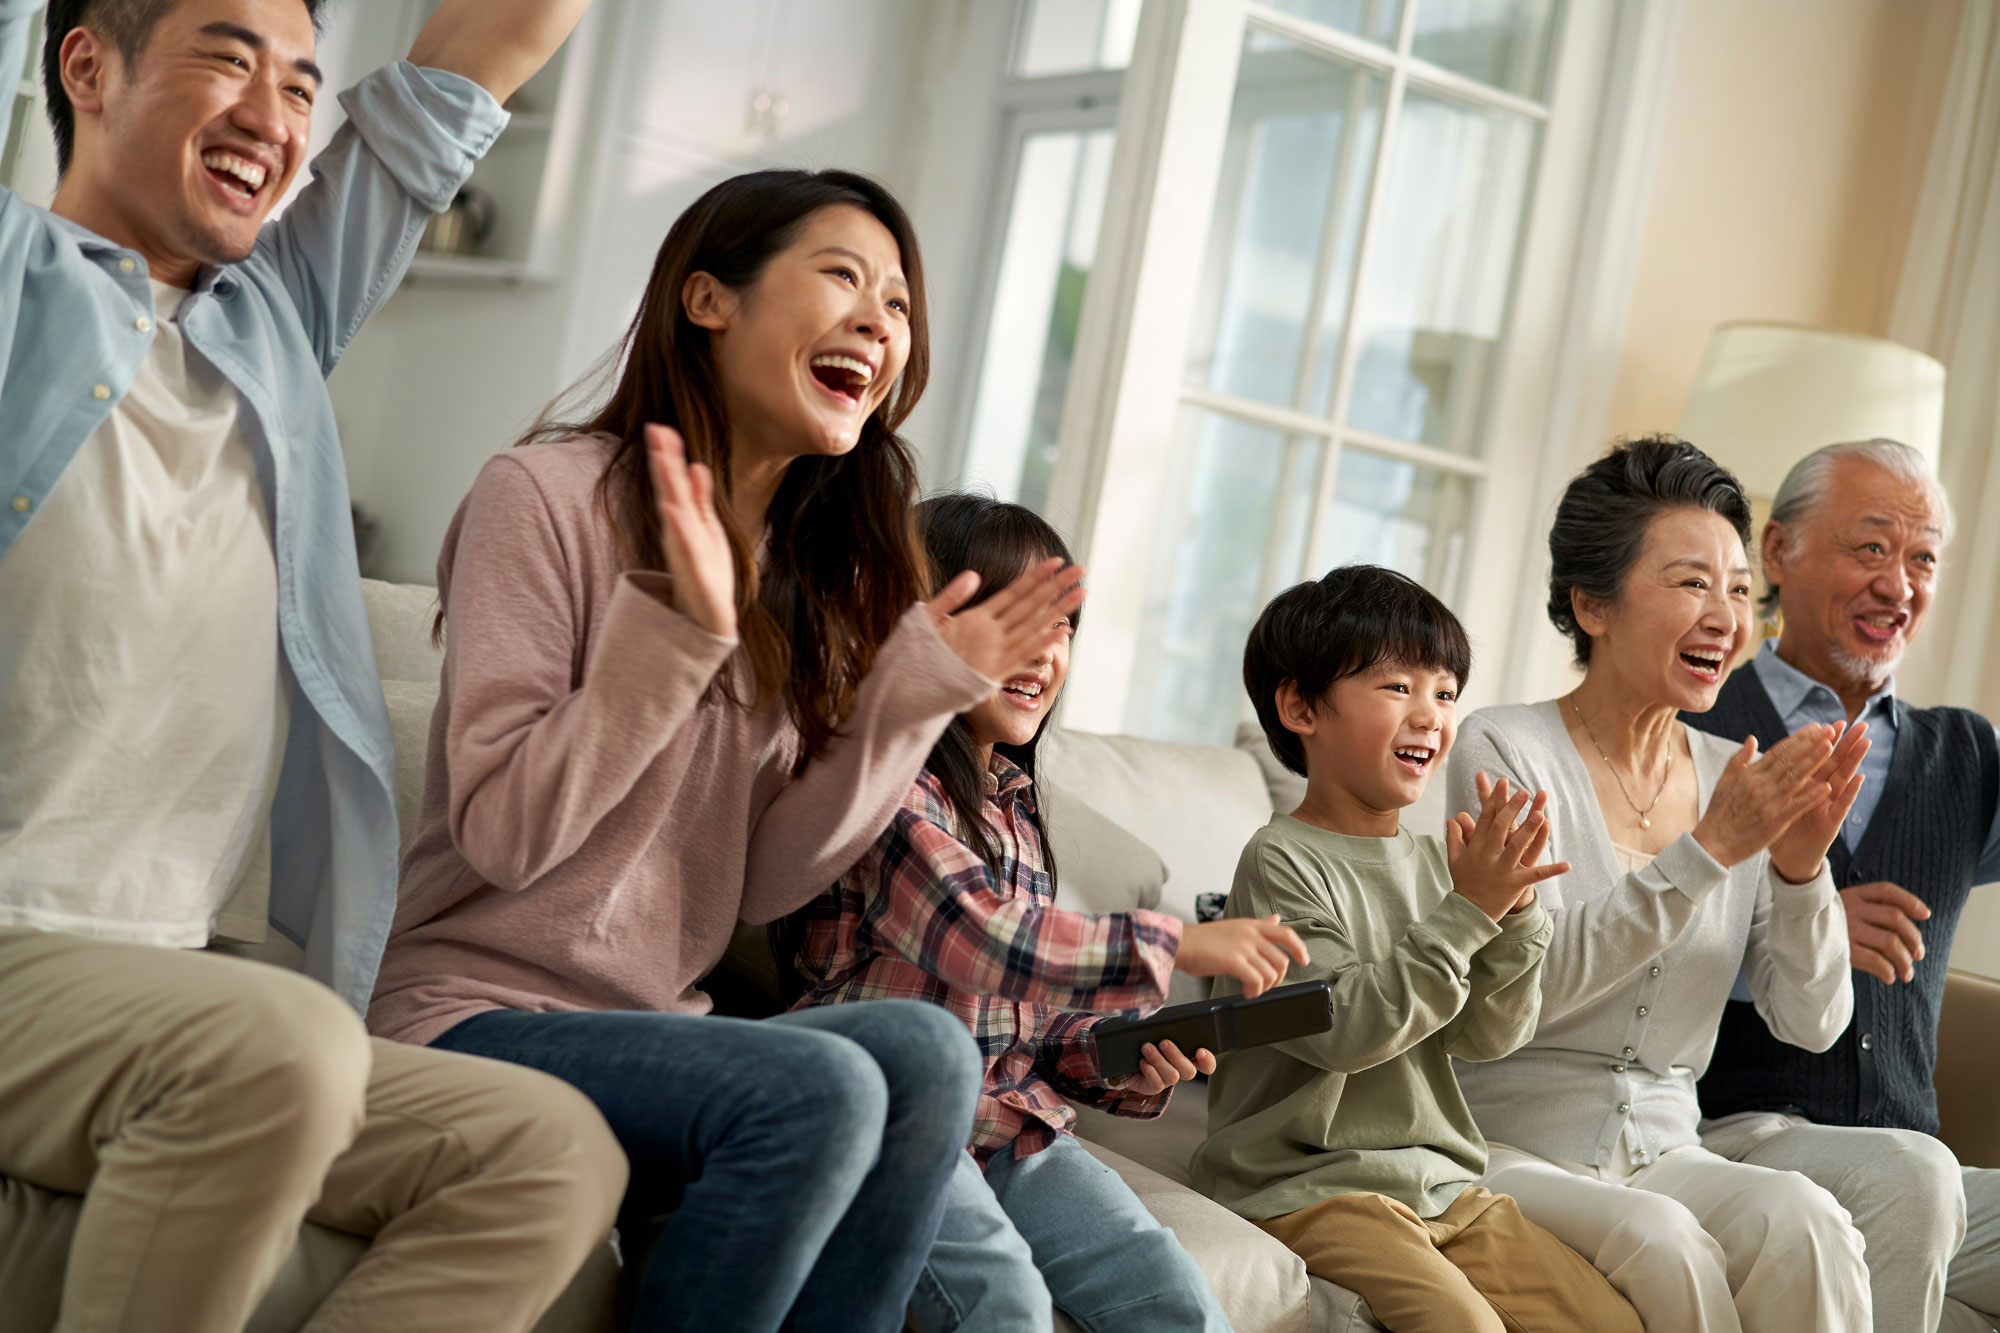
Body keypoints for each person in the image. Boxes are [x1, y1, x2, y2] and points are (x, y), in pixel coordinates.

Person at [0, 1, 629, 1329]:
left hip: (166, 976)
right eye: (230, 57)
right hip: (19, 947)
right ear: (86, 65)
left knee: (547, 1153)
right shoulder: (11, 279)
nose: (279, 117)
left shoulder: (272, 324)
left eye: (302, 84)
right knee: (279, 1046)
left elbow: (492, 48)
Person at [368, 170, 1086, 1333]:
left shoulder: (820, 575)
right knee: (823, 1081)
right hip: (471, 1010)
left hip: (657, 1027)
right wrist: (680, 635)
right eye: (843, 276)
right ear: (709, 298)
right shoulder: (542, 497)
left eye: (898, 304)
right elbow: (504, 834)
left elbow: (761, 882)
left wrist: (902, 706)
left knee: (925, 1053)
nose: (879, 323)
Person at [786, 493, 1309, 1333]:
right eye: (1011, 619)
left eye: (1063, 626)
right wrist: (1179, 943)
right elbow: (984, 938)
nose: (1044, 653)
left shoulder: (1020, 807)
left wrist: (1124, 1066)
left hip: (1010, 1130)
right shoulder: (888, 778)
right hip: (897, 1120)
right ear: (921, 629)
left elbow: (1027, 1028)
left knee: (1180, 1303)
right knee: (1008, 1305)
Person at [1446, 435, 1887, 1333]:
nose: (1725, 615)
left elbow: (1812, 1021)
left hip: (1665, 1149)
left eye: (1736, 588)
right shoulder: (1504, 749)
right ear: (1592, 604)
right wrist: (1710, 849)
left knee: (1810, 1221)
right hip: (1508, 1143)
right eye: (1690, 582)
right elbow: (1525, 993)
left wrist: (1800, 869)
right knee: (1668, 1240)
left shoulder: (1738, 771)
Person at [1191, 564, 1643, 1333]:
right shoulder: (1280, 861)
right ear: (1301, 706)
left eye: (1444, 691)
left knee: (1611, 1321)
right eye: (1397, 687)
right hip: (1308, 1185)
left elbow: (1488, 1036)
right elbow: (1346, 1030)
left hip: (1444, 1186)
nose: (1430, 715)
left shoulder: (1440, 863)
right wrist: (1470, 910)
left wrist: (1515, 911)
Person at [1686, 437, 1999, 1333]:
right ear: (1778, 550)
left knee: (1917, 1177)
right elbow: (1624, 934)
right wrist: (1798, 920)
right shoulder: (1692, 725)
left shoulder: (1965, 753)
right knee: (1914, 1176)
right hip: (1731, 1141)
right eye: (1871, 548)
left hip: (1912, 1161)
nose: (1898, 584)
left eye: (1922, 557)